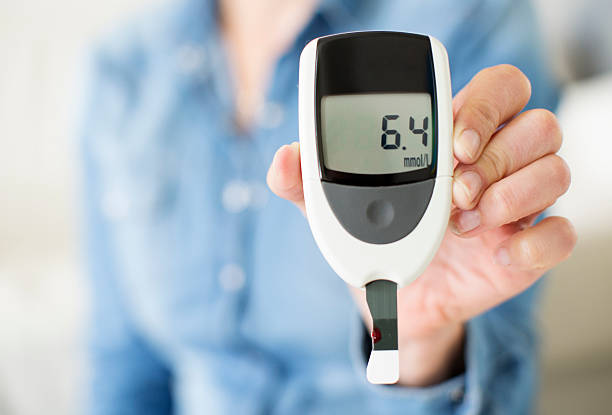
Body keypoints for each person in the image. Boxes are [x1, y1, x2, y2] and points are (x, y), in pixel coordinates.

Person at [80, 0, 576, 413]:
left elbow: (502, 375)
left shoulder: (469, 20)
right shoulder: (124, 69)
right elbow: (124, 367)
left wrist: (421, 344)